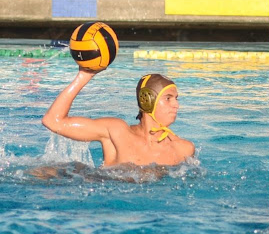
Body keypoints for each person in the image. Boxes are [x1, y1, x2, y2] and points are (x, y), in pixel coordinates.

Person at [42, 69, 194, 166]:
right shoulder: (116, 132)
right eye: (168, 98)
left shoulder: (183, 149)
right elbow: (53, 121)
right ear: (146, 99)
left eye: (176, 98)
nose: (176, 105)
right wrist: (84, 76)